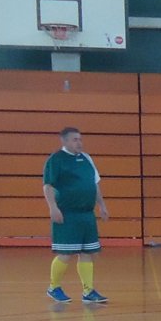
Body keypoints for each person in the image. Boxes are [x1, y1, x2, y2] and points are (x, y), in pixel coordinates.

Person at [42, 126, 110, 304]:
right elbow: (48, 186)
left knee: (87, 252)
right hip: (67, 214)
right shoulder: (56, 160)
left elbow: (94, 184)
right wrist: (53, 208)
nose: (79, 143)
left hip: (86, 214)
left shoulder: (86, 158)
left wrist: (102, 205)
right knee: (65, 253)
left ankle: (88, 291)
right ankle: (53, 287)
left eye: (80, 139)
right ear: (64, 141)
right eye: (75, 139)